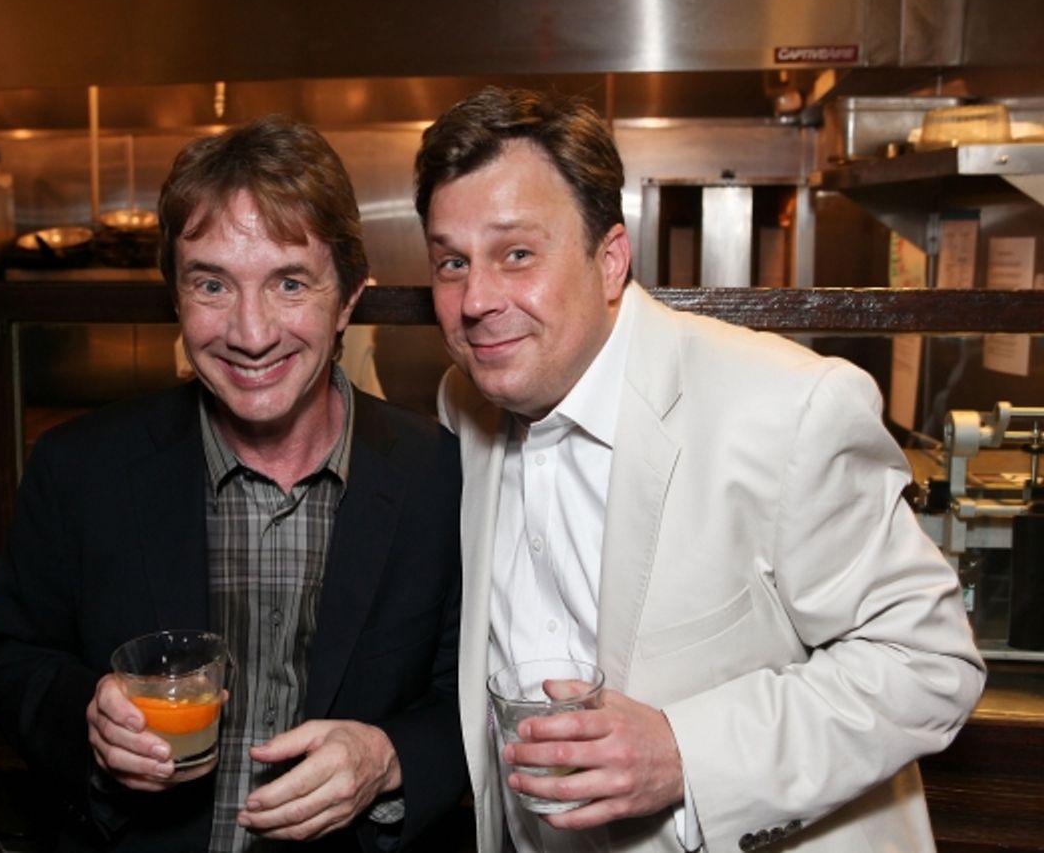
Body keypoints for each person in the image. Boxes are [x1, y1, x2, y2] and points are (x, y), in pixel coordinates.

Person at [413, 86, 986, 853]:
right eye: (452, 262)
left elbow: (929, 663)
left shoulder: (787, 405)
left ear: (610, 259)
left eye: (517, 253)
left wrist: (687, 755)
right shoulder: (466, 402)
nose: (477, 299)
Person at [0, 116, 467, 853]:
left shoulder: (442, 478)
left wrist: (388, 758)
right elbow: (11, 659)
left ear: (348, 301)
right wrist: (89, 717)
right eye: (212, 283)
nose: (250, 332)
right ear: (175, 294)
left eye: (289, 283)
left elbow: (476, 696)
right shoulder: (80, 470)